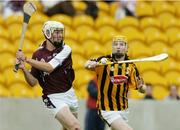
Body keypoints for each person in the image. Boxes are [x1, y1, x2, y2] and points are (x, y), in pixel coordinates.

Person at [15, 21, 80, 130]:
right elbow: (33, 82)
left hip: (69, 93)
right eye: (57, 32)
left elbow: (49, 67)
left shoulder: (66, 49)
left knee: (67, 128)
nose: (60, 35)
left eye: (61, 32)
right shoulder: (37, 54)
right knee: (75, 127)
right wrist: (24, 69)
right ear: (48, 33)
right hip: (53, 97)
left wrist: (25, 59)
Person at [85, 35, 146, 130]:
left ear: (126, 48)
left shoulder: (130, 66)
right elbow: (87, 64)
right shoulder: (104, 61)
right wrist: (91, 64)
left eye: (121, 44)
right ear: (112, 47)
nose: (118, 46)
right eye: (115, 44)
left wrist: (141, 87)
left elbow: (143, 90)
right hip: (107, 109)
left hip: (123, 110)